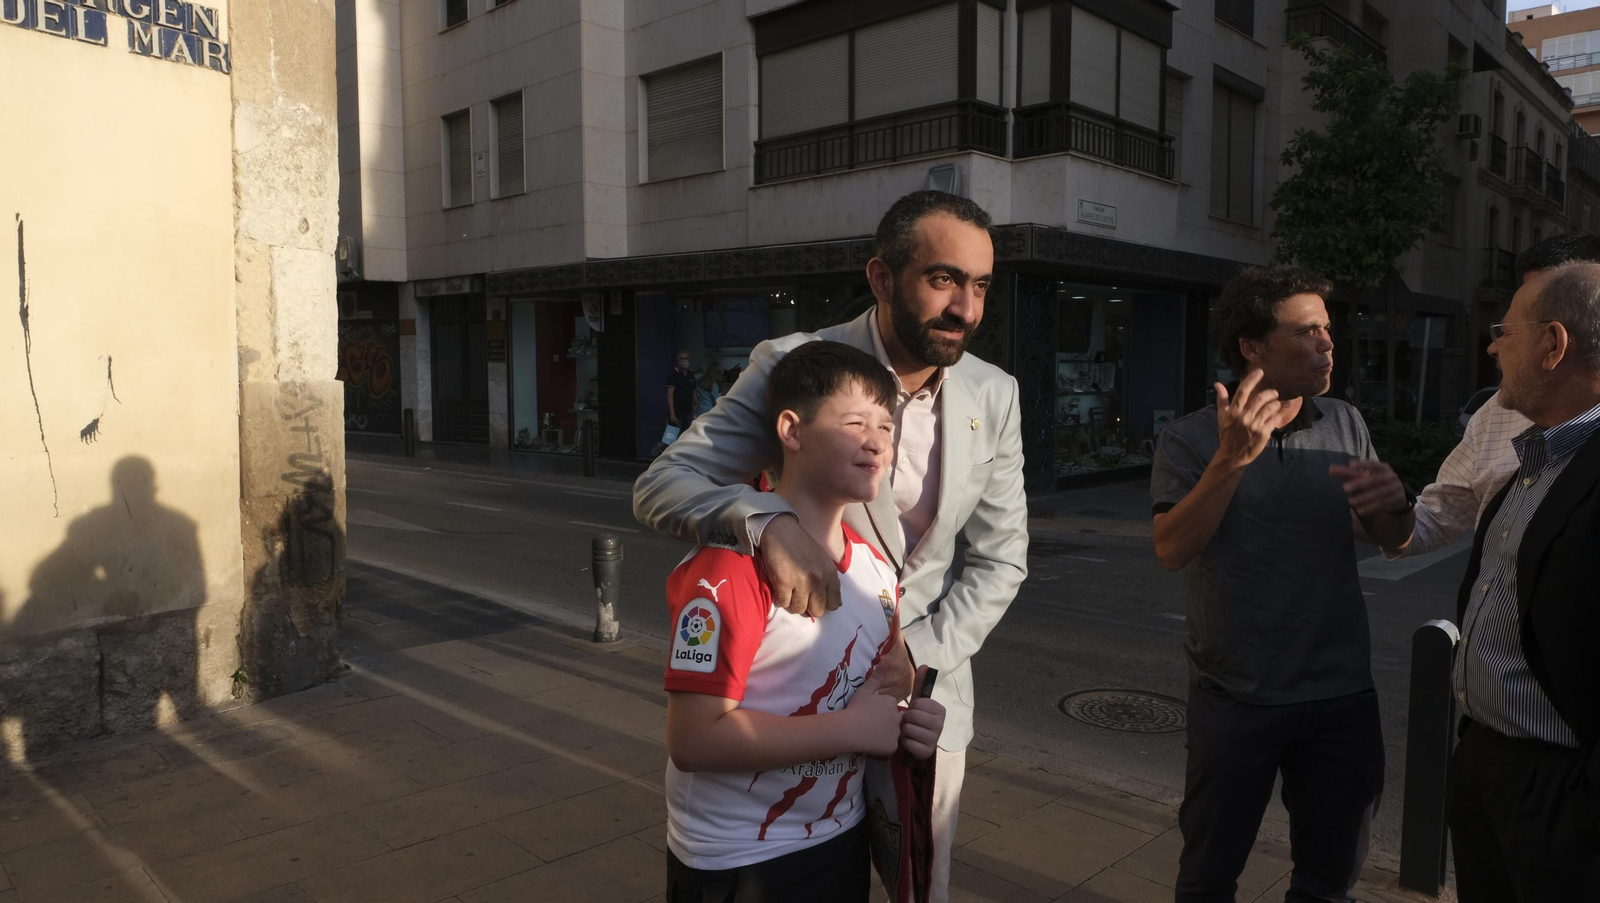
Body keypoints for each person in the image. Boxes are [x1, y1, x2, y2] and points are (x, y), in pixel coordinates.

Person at [635, 190, 1029, 903]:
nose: (966, 309)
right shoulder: (793, 363)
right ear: (881, 278)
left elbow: (1002, 556)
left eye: (980, 286)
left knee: (915, 885)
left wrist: (922, 654)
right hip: (789, 729)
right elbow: (663, 483)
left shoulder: (993, 393)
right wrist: (763, 520)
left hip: (922, 705)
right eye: (943, 279)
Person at [1150, 266, 1415, 903]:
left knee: (1329, 878)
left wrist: (1394, 504)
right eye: (1306, 332)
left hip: (1340, 693)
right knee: (1210, 875)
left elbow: (1394, 538)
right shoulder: (1190, 438)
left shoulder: (1345, 422)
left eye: (1328, 329)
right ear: (1252, 348)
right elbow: (1171, 549)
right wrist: (1231, 460)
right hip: (1237, 694)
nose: (1329, 343)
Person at [662, 341, 946, 902]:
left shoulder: (875, 568)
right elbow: (693, 740)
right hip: (738, 858)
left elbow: (874, 699)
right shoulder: (731, 564)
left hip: (843, 838)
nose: (876, 443)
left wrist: (912, 725)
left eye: (887, 427)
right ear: (792, 430)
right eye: (855, 422)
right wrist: (853, 730)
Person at [1444, 262, 1600, 901]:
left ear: (1553, 345)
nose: (1491, 346)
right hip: (1488, 767)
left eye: (1504, 330)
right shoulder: (1532, 461)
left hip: (1557, 796)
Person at [1385, 233, 1600, 559]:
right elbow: (1439, 517)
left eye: (1513, 328)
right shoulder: (1496, 411)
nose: (1493, 347)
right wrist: (1380, 514)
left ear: (1556, 342)